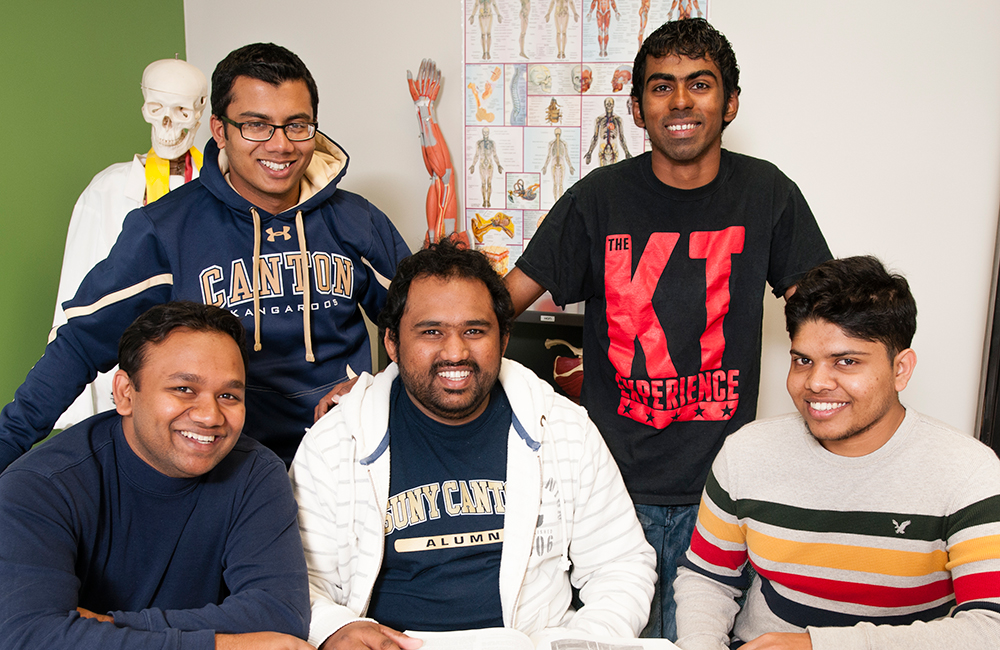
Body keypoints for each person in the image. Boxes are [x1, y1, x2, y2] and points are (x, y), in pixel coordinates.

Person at [504, 18, 832, 641]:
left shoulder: (767, 193)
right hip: (609, 490)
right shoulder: (598, 199)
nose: (680, 101)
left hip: (723, 490)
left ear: (731, 102)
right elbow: (495, 307)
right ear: (636, 107)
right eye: (661, 86)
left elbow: (825, 317)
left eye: (700, 84)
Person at [0, 43, 410, 471]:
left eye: (297, 125)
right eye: (256, 125)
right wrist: (7, 443)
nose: (281, 145)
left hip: (345, 458)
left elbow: (423, 327)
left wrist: (378, 390)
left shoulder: (356, 220)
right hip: (223, 467)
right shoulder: (166, 229)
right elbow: (80, 346)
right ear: (219, 130)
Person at [291, 241, 656, 649]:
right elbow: (300, 580)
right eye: (431, 331)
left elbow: (621, 565)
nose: (455, 352)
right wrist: (335, 628)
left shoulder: (563, 428)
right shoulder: (334, 442)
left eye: (475, 331)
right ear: (392, 343)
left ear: (502, 339)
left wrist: (585, 640)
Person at [673, 256, 1000, 650]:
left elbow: (990, 627)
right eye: (802, 360)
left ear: (901, 369)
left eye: (846, 362)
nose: (816, 382)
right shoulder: (747, 451)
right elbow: (708, 578)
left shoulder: (969, 472)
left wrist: (815, 646)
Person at [0, 302, 311, 650]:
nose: (210, 416)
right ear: (124, 393)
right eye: (183, 389)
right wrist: (222, 645)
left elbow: (280, 615)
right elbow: (28, 638)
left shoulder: (257, 473)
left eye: (228, 395)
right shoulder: (41, 485)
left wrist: (107, 625)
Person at [51, 57, 208, 430]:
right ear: (145, 110)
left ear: (201, 113)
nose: (167, 123)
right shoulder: (106, 190)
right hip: (126, 365)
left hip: (203, 364)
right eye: (157, 109)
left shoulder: (222, 190)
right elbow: (75, 298)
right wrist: (72, 409)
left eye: (181, 110)